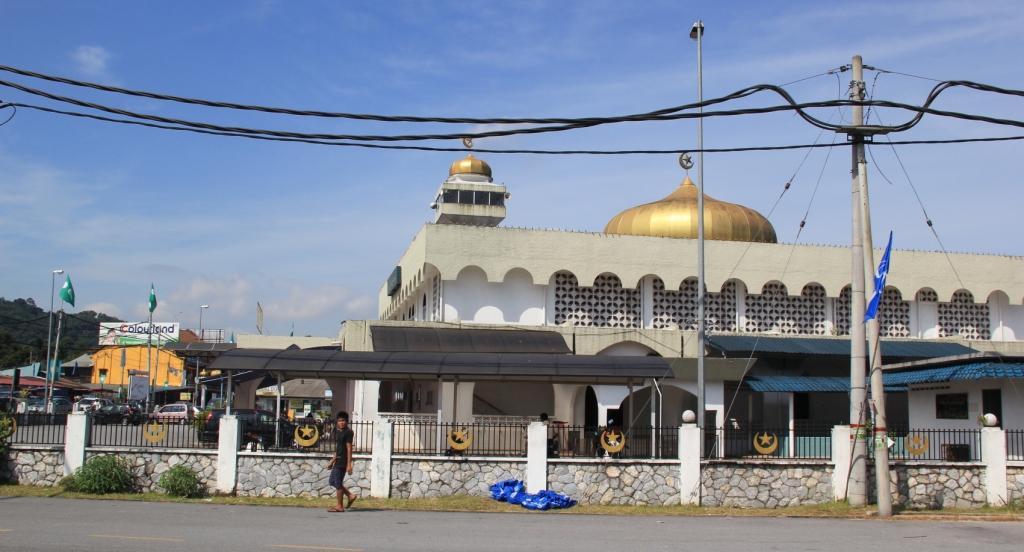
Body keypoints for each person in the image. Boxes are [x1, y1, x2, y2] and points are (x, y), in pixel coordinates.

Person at [326, 412, 356, 512]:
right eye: (339, 421)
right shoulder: (339, 432)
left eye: (343, 420)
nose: (341, 422)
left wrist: (349, 464)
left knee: (338, 483)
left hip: (343, 461)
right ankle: (350, 495)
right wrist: (332, 461)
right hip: (337, 460)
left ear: (347, 421)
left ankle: (340, 506)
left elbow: (349, 449)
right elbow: (338, 449)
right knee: (332, 481)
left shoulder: (348, 432)